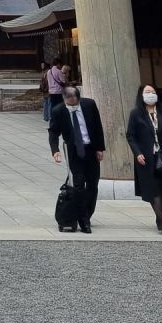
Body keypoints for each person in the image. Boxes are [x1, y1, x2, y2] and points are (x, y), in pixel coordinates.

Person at [126, 84, 162, 232]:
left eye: (153, 92)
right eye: (147, 92)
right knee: (151, 188)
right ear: (142, 95)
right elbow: (131, 135)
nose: (151, 94)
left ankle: (161, 218)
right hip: (146, 156)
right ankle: (160, 219)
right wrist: (137, 152)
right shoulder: (136, 114)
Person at [49, 84, 105, 233]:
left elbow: (98, 126)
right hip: (73, 150)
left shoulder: (89, 105)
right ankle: (83, 220)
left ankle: (87, 213)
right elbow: (53, 132)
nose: (73, 105)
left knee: (93, 184)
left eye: (75, 102)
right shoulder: (58, 111)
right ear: (65, 99)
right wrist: (55, 150)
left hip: (90, 148)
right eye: (70, 103)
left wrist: (100, 148)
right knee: (78, 185)